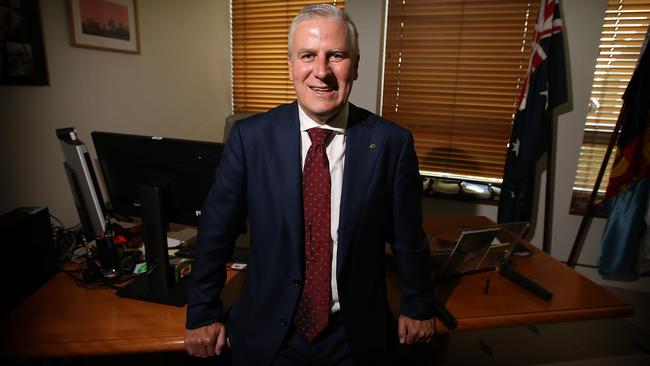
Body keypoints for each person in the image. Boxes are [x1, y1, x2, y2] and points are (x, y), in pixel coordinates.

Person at [184, 4, 436, 365]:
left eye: (336, 56)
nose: (321, 72)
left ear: (356, 66)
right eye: (308, 56)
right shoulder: (250, 138)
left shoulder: (391, 143)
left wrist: (418, 304)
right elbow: (215, 233)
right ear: (290, 66)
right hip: (269, 330)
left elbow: (408, 237)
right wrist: (202, 314)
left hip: (354, 333)